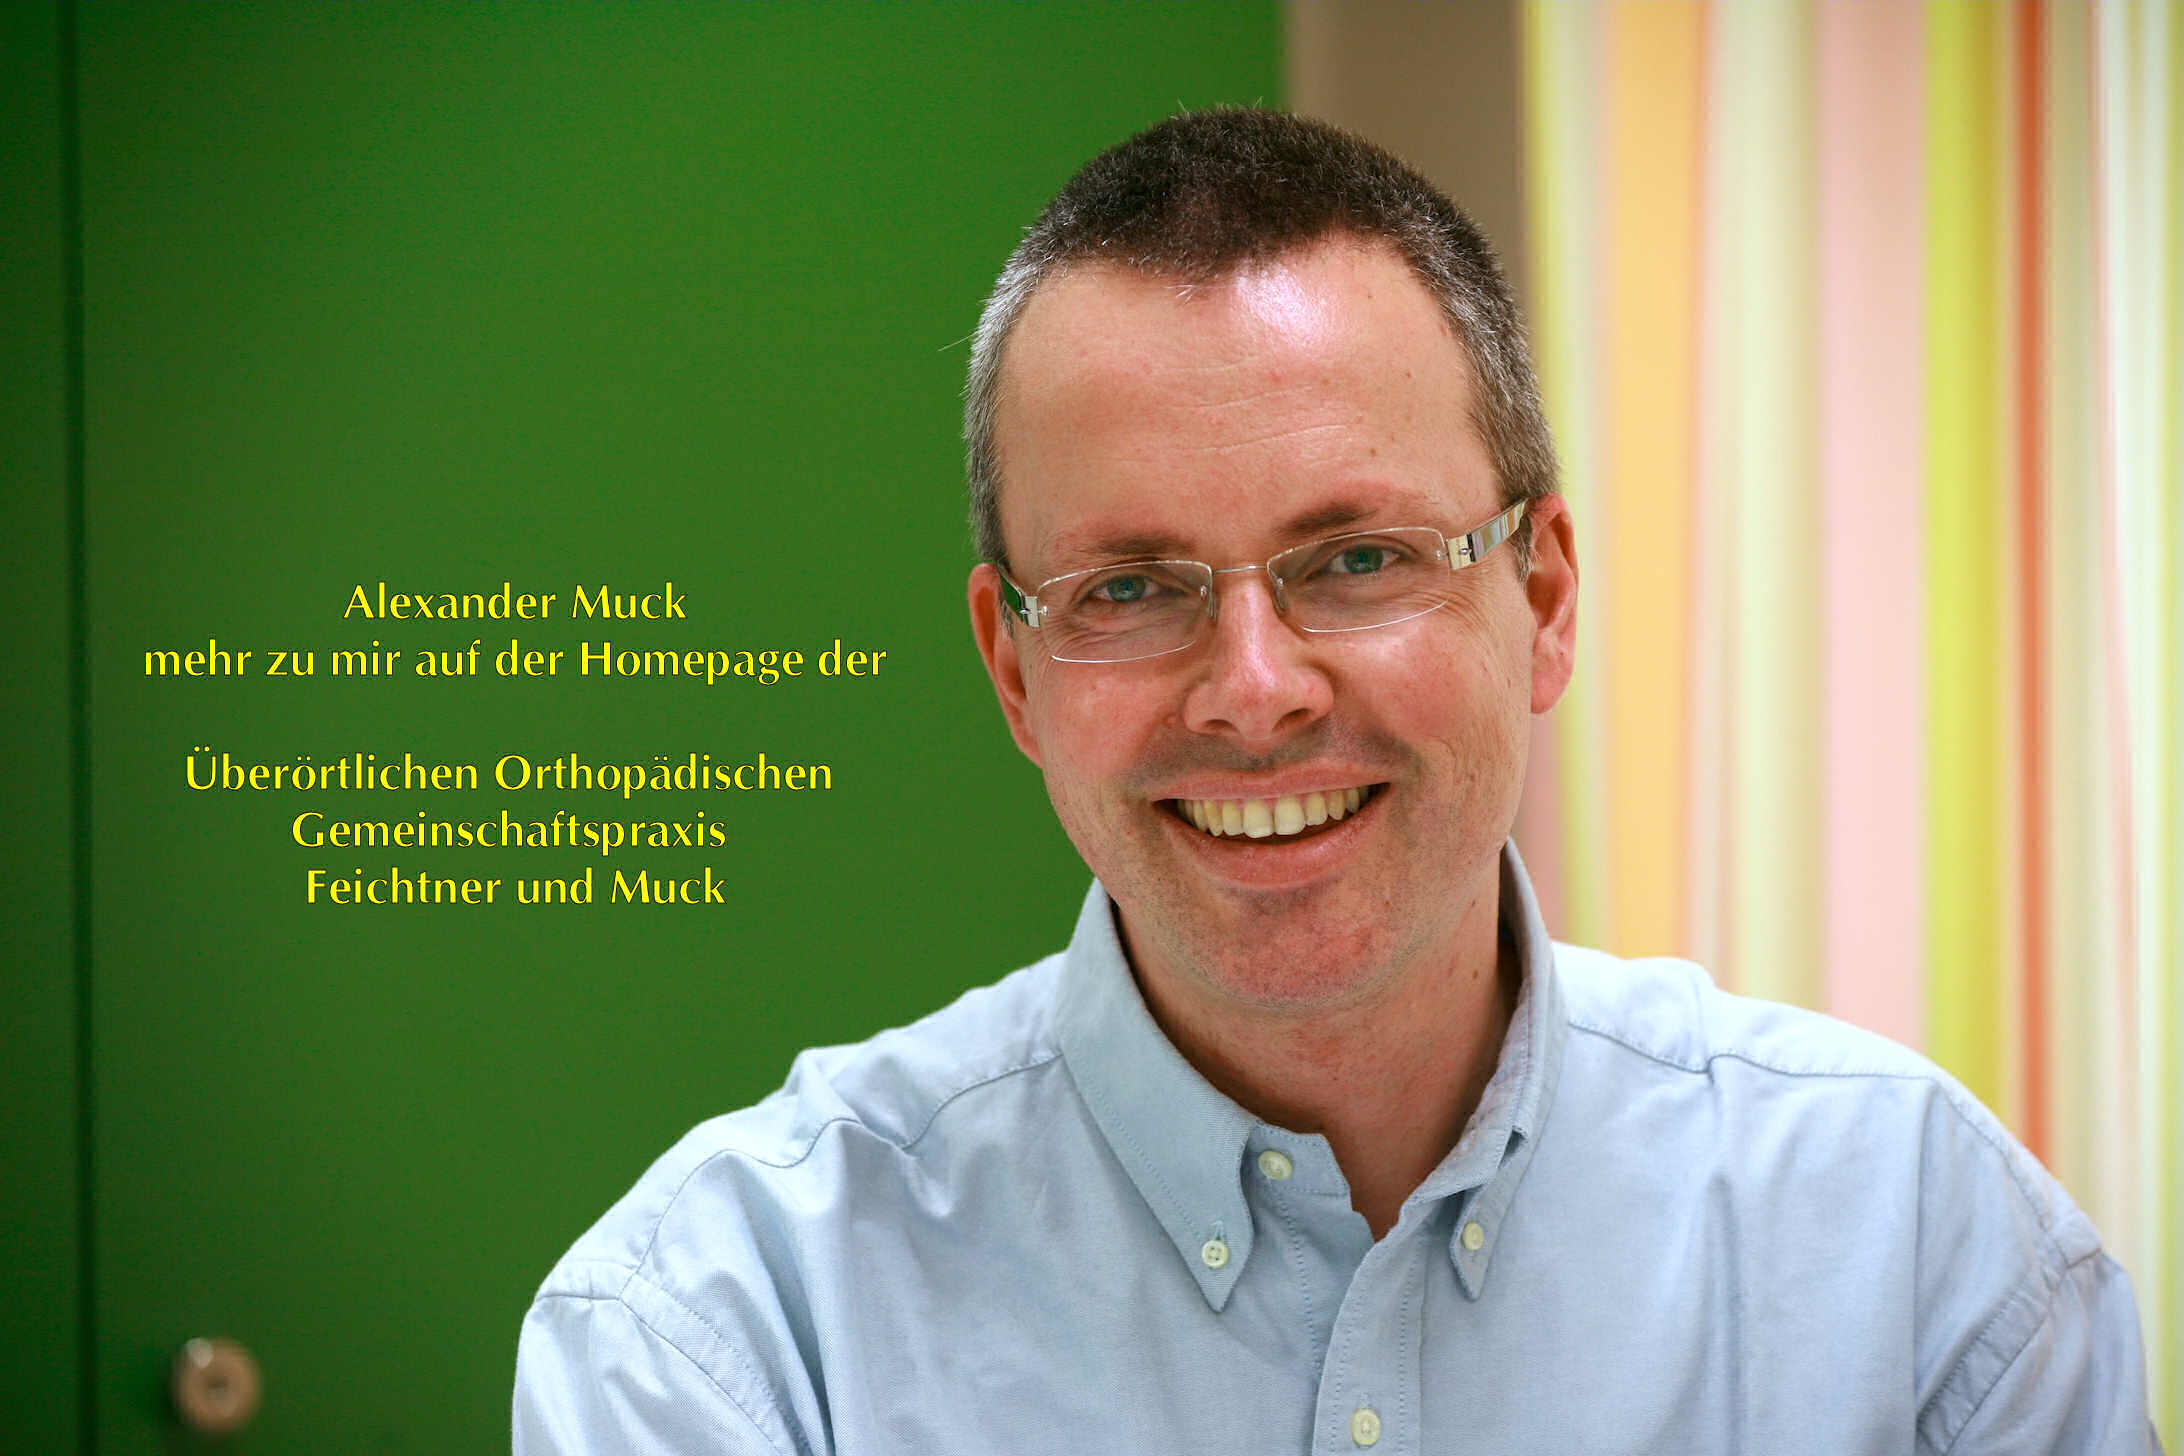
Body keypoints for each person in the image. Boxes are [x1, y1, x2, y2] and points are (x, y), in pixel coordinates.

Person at [514, 109, 2157, 1454]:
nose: (1254, 690)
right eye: (1129, 588)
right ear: (1015, 670)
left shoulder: (1924, 1262)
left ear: (1546, 599)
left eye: (1359, 557)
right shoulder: (727, 1334)